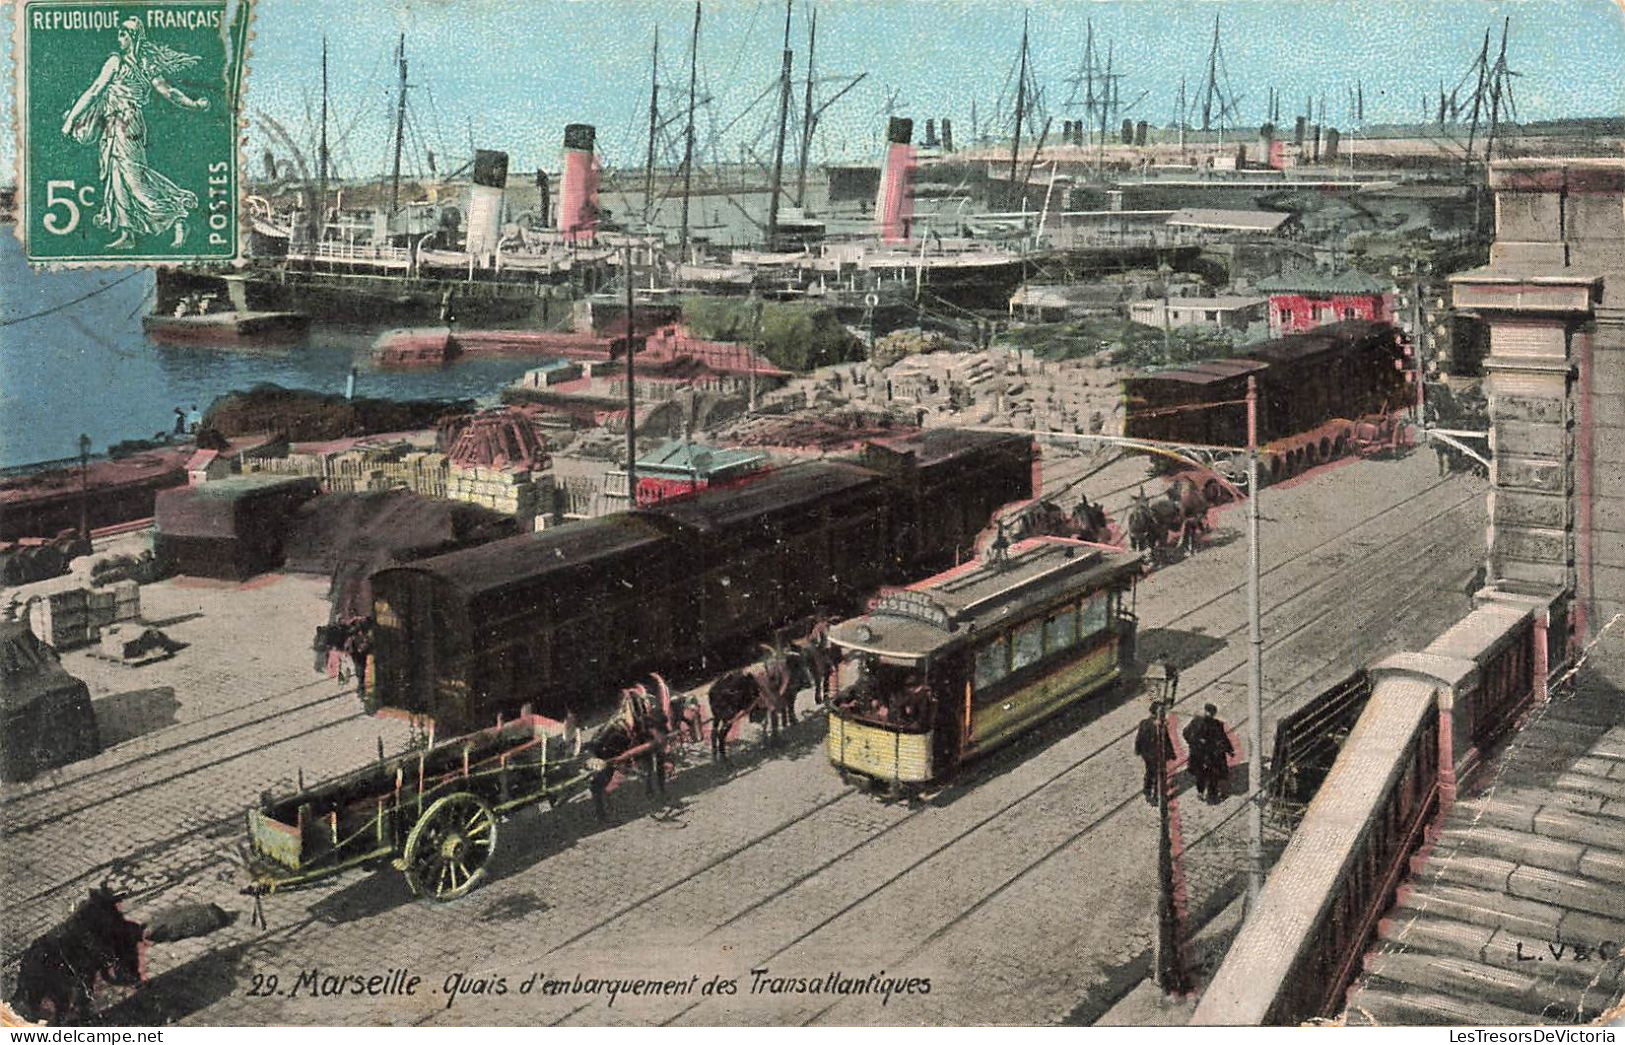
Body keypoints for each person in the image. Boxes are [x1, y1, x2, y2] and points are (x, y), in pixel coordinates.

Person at [59, 17, 210, 250]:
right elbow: (95, 91)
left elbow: (168, 91)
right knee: (117, 178)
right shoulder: (118, 62)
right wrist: (73, 118)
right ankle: (127, 233)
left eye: (124, 34)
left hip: (128, 125)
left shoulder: (139, 64)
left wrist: (194, 104)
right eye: (119, 33)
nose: (119, 38)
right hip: (111, 126)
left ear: (134, 37)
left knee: (135, 180)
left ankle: (178, 217)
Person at [1183, 704, 1236, 803]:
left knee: (1204, 775)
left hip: (1203, 754)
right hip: (1208, 755)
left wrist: (1229, 749)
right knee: (1209, 775)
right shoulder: (1212, 724)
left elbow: (1186, 733)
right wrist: (1229, 750)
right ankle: (1208, 794)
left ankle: (1204, 793)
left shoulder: (1199, 722)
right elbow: (1223, 738)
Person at [1134, 700, 1175, 805]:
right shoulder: (1156, 725)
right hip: (1154, 755)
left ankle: (1150, 792)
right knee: (1158, 775)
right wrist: (1171, 754)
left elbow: (1139, 738)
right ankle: (1155, 795)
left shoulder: (1146, 723)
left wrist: (1138, 750)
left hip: (1150, 754)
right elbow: (1166, 740)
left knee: (1151, 772)